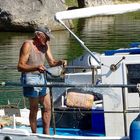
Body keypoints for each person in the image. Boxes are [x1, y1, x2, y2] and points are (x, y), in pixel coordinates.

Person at [17, 27, 66, 134]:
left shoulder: (46, 45)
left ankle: (46, 133)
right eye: (46, 37)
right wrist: (35, 68)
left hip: (41, 77)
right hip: (30, 77)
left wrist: (60, 62)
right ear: (39, 35)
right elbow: (20, 66)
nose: (48, 40)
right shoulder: (27, 45)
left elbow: (52, 62)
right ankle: (34, 134)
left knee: (48, 107)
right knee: (34, 109)